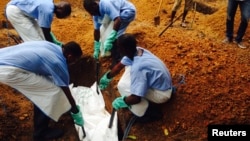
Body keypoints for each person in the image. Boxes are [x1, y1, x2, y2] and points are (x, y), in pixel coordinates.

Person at [0, 41, 84, 140]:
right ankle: (40, 133)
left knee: (47, 87)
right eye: (75, 60)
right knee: (50, 93)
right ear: (69, 56)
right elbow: (65, 90)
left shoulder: (54, 47)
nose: (74, 62)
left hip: (4, 57)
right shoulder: (57, 62)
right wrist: (74, 110)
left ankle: (42, 120)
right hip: (8, 70)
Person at [99, 33, 173, 124]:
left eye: (119, 47)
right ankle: (139, 103)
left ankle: (147, 112)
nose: (117, 49)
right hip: (161, 83)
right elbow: (119, 66)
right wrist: (107, 77)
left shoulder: (138, 68)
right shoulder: (138, 51)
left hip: (162, 94)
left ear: (125, 49)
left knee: (127, 89)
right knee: (125, 76)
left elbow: (136, 98)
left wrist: (122, 101)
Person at [83, 0, 136, 66]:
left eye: (92, 11)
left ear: (95, 5)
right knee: (103, 29)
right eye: (89, 12)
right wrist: (96, 47)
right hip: (117, 14)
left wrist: (111, 37)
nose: (91, 14)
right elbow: (97, 30)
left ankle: (118, 58)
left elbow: (118, 20)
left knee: (116, 36)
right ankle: (112, 51)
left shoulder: (106, 4)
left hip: (127, 12)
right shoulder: (95, 14)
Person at [5, 0, 71, 43]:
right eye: (64, 15)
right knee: (35, 41)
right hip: (16, 11)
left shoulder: (49, 3)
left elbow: (43, 31)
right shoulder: (48, 11)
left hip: (25, 12)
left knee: (40, 37)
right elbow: (46, 32)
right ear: (61, 9)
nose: (63, 17)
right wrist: (53, 46)